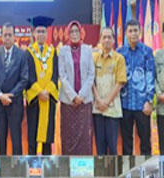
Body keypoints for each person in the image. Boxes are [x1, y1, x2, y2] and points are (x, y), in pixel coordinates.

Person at [0, 22, 28, 155]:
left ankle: (18, 166)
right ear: (1, 36)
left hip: (15, 104)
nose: (7, 38)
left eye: (10, 35)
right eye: (5, 35)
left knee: (16, 141)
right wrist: (0, 95)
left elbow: (24, 79)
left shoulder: (22, 54)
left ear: (15, 36)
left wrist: (10, 95)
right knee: (1, 141)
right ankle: (3, 167)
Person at [118, 19, 155, 155]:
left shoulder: (147, 51)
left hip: (142, 105)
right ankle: (127, 167)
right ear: (126, 33)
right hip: (125, 104)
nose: (133, 34)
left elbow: (150, 76)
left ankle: (147, 167)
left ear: (140, 32)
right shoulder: (120, 53)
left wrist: (149, 100)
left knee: (145, 142)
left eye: (135, 30)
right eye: (130, 31)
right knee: (126, 143)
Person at [58, 20, 94, 155]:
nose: (74, 34)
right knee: (68, 137)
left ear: (81, 32)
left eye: (76, 31)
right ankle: (67, 165)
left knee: (84, 137)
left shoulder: (88, 50)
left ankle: (84, 165)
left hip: (84, 101)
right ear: (68, 33)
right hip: (68, 102)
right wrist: (73, 96)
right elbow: (62, 75)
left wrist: (81, 95)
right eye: (71, 31)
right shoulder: (62, 51)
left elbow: (91, 74)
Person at [26, 16, 59, 155]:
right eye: (38, 31)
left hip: (48, 99)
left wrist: (47, 92)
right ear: (34, 33)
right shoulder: (28, 52)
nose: (40, 34)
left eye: (43, 31)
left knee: (47, 138)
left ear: (47, 34)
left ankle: (47, 165)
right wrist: (39, 92)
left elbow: (55, 74)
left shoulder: (52, 52)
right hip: (35, 100)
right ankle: (32, 164)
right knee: (32, 137)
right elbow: (28, 75)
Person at [93, 27, 127, 155]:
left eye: (109, 37)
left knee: (112, 147)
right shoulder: (94, 58)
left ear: (113, 40)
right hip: (97, 109)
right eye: (104, 37)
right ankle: (101, 169)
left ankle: (114, 169)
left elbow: (120, 83)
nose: (106, 40)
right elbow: (91, 82)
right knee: (100, 148)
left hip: (113, 109)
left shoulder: (119, 59)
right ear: (100, 39)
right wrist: (98, 100)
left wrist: (106, 102)